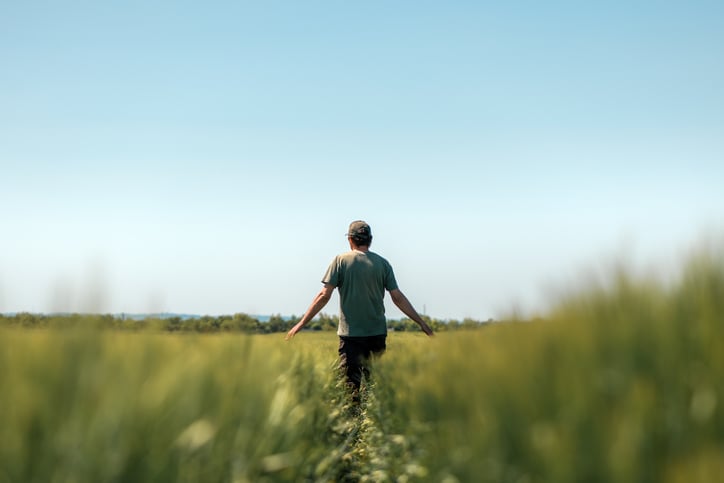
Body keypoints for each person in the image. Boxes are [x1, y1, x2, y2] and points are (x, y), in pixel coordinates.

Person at [286, 220, 433, 394]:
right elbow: (398, 298)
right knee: (374, 387)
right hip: (377, 333)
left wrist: (301, 324)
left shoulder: (340, 261)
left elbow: (324, 296)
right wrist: (421, 323)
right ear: (370, 240)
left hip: (351, 336)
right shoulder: (383, 264)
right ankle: (373, 420)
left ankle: (353, 420)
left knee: (350, 388)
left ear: (350, 239)